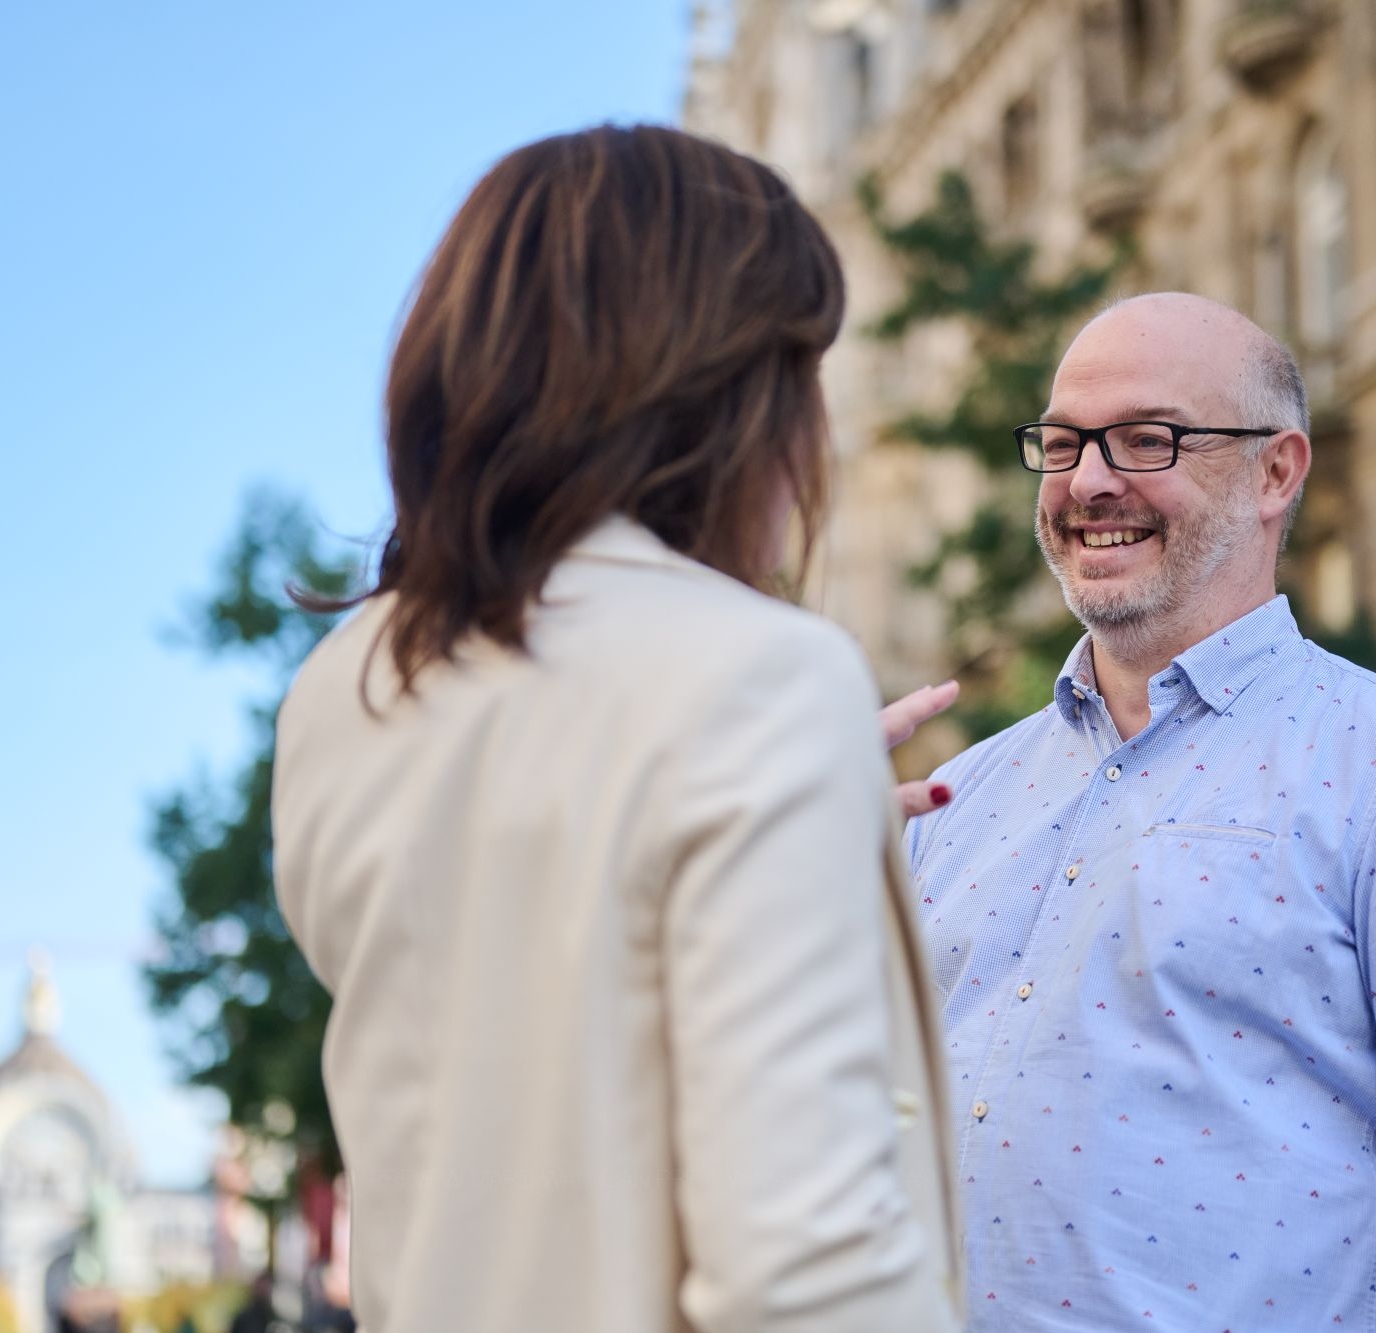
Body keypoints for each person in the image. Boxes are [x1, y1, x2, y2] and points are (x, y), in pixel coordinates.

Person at [271, 125, 962, 1333]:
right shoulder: (759, 679)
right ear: (734, 392)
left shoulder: (345, 689)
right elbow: (806, 1271)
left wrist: (788, 819)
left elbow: (530, 1025)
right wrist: (786, 774)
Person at [906, 292, 1376, 1329]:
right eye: (1060, 445)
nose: (1088, 481)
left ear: (1275, 471)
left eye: (1145, 440)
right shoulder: (951, 799)